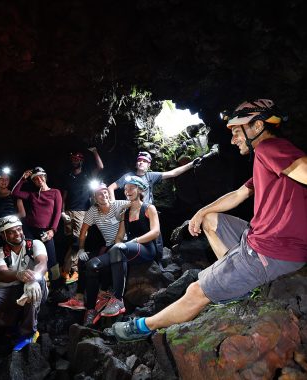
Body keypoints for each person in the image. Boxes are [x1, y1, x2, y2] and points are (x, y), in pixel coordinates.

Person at [111, 98, 307, 342]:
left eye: (237, 131)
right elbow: (239, 194)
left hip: (268, 252)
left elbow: (304, 169)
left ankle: (141, 327)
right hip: (266, 241)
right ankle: (232, 276)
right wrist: (201, 212)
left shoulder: (269, 148)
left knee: (196, 291)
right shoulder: (268, 158)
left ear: (256, 127)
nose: (233, 139)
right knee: (212, 220)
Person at [85, 176, 160, 325]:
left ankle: (118, 299)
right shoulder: (125, 213)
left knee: (119, 248)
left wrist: (133, 242)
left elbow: (155, 232)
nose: (128, 191)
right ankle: (91, 308)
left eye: (131, 188)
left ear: (139, 190)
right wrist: (116, 247)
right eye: (126, 189)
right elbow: (119, 237)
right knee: (91, 265)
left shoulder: (148, 208)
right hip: (127, 248)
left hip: (146, 248)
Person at [58, 182, 129, 319]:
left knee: (97, 264)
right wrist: (81, 249)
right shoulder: (93, 211)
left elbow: (135, 203)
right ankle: (80, 298)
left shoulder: (118, 204)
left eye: (105, 192)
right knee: (84, 259)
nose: (104, 195)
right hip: (108, 245)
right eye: (99, 194)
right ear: (95, 198)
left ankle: (101, 295)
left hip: (122, 244)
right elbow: (83, 232)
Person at [0, 215, 48, 351]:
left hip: (34, 286)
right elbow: (1, 273)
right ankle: (11, 325)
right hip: (8, 290)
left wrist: (34, 279)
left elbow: (42, 263)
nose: (17, 234)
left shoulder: (35, 244)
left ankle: (29, 333)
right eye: (11, 231)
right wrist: (18, 275)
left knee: (31, 290)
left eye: (19, 229)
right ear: (4, 236)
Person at [12, 167, 62, 284]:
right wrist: (23, 179)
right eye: (35, 179)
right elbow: (15, 192)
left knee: (51, 258)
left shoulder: (55, 192)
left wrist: (53, 230)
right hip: (30, 229)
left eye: (40, 177)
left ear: (45, 177)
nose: (38, 179)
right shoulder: (32, 194)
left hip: (45, 231)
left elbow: (58, 212)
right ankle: (34, 283)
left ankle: (56, 286)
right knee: (32, 257)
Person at [60, 148, 104, 284]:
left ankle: (69, 271)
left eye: (78, 159)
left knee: (77, 241)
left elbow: (100, 167)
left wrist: (95, 151)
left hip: (82, 211)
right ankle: (71, 270)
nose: (75, 161)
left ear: (82, 161)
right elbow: (64, 196)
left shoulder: (86, 175)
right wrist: (62, 212)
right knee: (70, 241)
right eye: (73, 159)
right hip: (68, 211)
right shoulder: (68, 176)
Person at [108, 151, 196, 204]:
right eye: (139, 160)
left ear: (149, 165)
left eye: (145, 161)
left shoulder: (151, 176)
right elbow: (111, 187)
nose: (141, 162)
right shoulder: (128, 176)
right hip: (130, 209)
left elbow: (173, 173)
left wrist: (192, 164)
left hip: (146, 210)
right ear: (136, 164)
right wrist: (113, 203)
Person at [0, 167, 26, 249]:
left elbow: (22, 213)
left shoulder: (15, 195)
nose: (4, 181)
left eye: (6, 179)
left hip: (14, 230)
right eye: (1, 179)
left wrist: (8, 220)